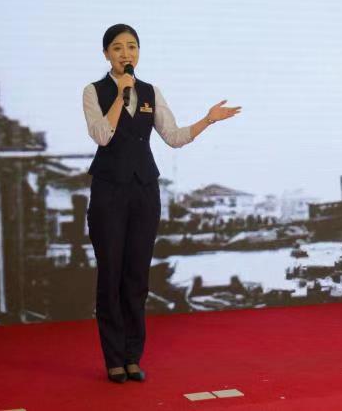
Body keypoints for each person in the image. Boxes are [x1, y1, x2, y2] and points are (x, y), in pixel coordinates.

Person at [82, 23, 240, 383]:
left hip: (144, 190)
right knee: (111, 276)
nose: (126, 54)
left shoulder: (151, 92)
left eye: (132, 47)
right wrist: (120, 96)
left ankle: (132, 357)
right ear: (106, 54)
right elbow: (101, 136)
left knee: (137, 276)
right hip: (108, 191)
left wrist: (208, 120)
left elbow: (173, 137)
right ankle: (113, 359)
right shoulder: (93, 91)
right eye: (118, 48)